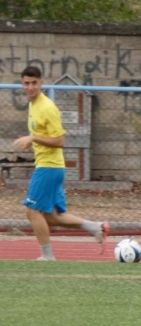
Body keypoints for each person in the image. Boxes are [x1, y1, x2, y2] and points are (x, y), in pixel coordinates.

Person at [13, 66, 109, 261]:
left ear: (41, 83)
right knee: (52, 216)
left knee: (31, 210)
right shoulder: (33, 104)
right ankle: (95, 227)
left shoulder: (47, 108)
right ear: (22, 84)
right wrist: (31, 139)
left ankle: (47, 256)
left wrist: (33, 138)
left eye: (34, 83)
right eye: (26, 83)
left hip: (49, 167)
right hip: (50, 166)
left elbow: (59, 141)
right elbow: (42, 134)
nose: (30, 87)